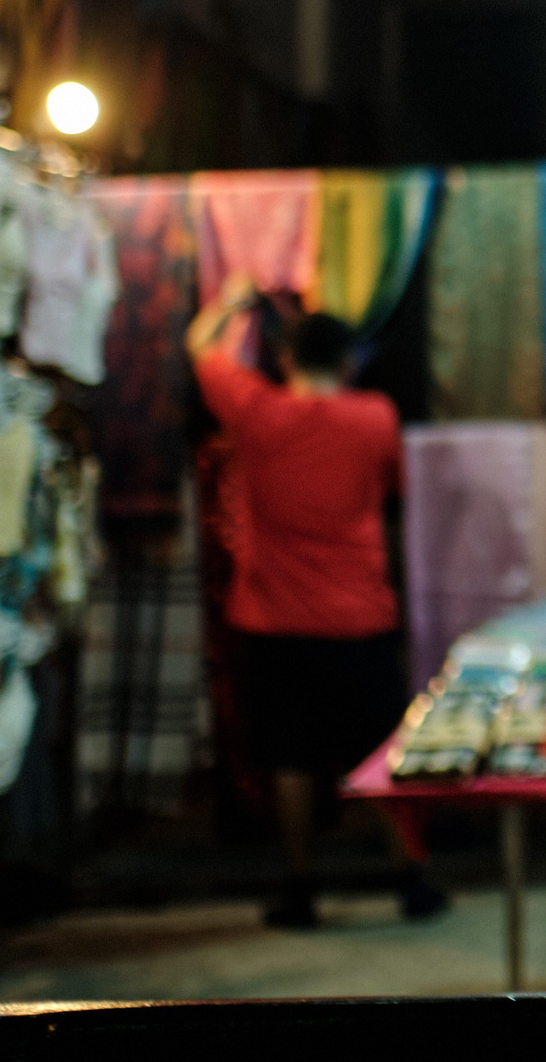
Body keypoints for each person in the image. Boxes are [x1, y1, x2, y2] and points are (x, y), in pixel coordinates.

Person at [184, 275, 445, 928]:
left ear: (285, 359)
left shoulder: (255, 409)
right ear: (350, 362)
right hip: (360, 614)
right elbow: (390, 496)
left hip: (275, 619)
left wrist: (235, 298)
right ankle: (410, 877)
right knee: (386, 750)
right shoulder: (375, 417)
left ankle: (300, 885)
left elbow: (198, 345)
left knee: (290, 758)